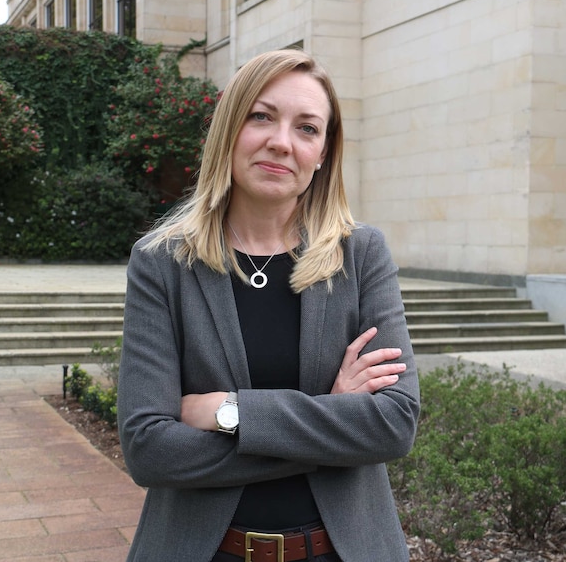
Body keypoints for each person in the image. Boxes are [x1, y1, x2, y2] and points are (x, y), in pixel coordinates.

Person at [117, 48, 421, 562]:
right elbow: (150, 450)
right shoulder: (162, 263)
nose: (282, 143)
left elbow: (393, 424)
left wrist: (229, 412)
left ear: (323, 152)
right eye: (262, 117)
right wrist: (332, 418)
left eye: (307, 128)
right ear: (230, 130)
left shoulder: (361, 254)